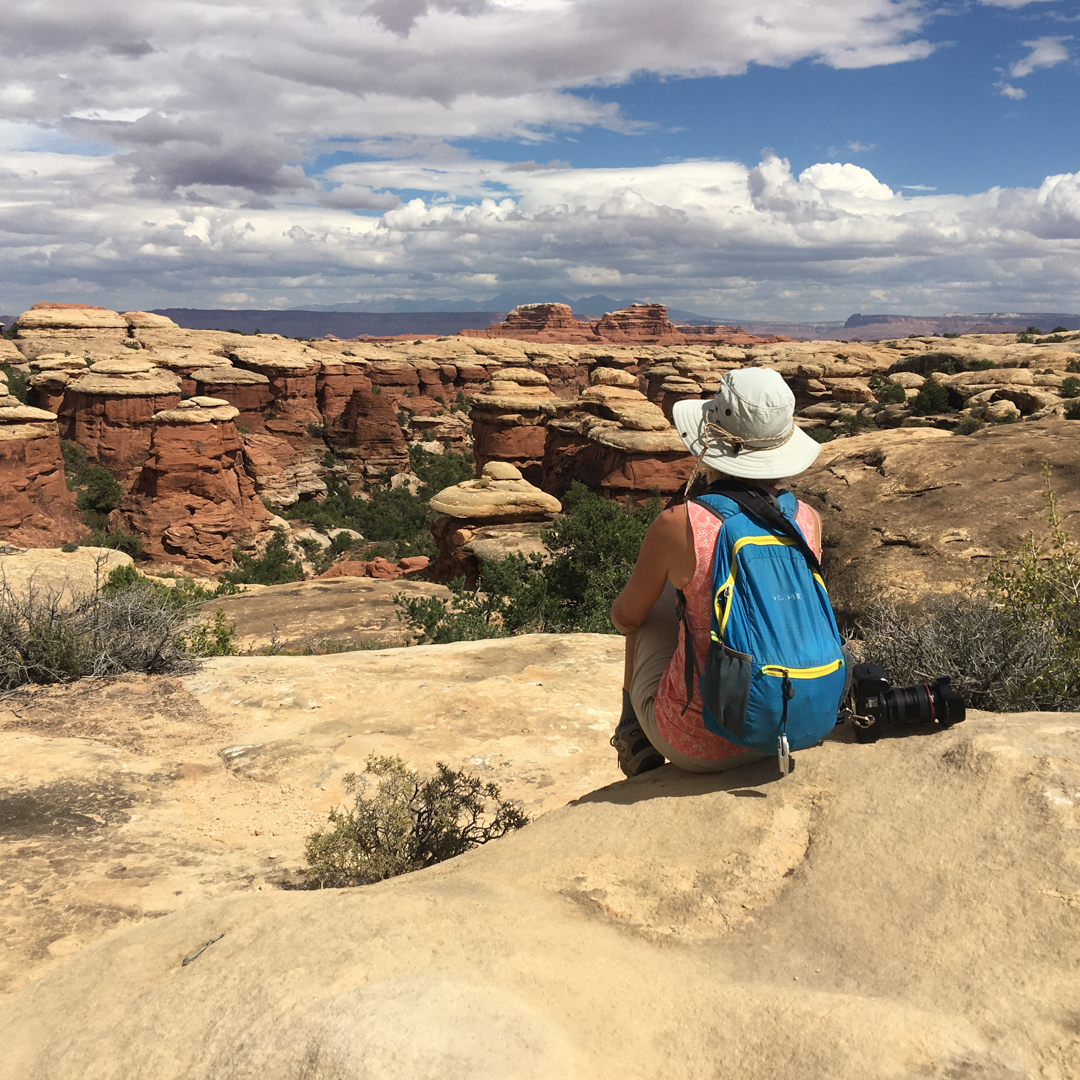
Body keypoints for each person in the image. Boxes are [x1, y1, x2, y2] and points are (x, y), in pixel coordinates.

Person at [609, 367, 826, 776]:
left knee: (650, 607)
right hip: (796, 727)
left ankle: (631, 732)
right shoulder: (807, 520)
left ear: (712, 440)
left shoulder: (680, 524)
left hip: (699, 742)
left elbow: (626, 617)